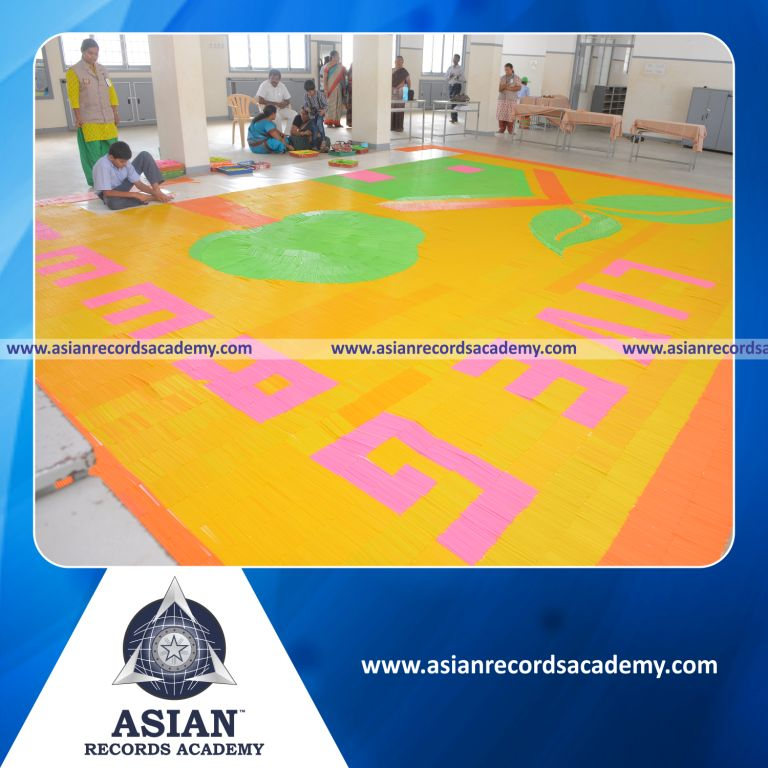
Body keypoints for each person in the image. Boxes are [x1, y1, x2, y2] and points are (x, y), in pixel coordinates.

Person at [66, 38, 120, 187]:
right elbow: (73, 97)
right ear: (83, 52)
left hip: (107, 117)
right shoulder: (74, 71)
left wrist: (115, 113)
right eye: (90, 53)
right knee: (93, 152)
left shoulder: (103, 70)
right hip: (89, 119)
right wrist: (78, 117)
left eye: (96, 53)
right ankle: (97, 180)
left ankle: (113, 176)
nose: (94, 56)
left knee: (112, 149)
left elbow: (111, 91)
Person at [92, 141, 173, 210]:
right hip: (108, 193)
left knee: (144, 155)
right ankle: (150, 198)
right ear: (111, 157)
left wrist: (156, 193)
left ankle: (157, 192)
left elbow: (139, 184)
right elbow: (107, 192)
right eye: (122, 161)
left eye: (126, 161)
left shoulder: (125, 163)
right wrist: (135, 194)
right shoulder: (103, 165)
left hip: (122, 186)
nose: (125, 164)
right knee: (114, 203)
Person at [256, 70, 295, 134]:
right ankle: (279, 136)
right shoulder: (264, 85)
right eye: (272, 78)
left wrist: (285, 104)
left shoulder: (282, 86)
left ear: (279, 79)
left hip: (279, 108)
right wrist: (276, 103)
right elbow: (260, 100)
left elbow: (288, 100)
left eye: (276, 79)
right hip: (267, 109)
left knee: (294, 114)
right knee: (277, 117)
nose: (274, 81)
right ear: (269, 78)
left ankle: (286, 134)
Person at [321, 50, 347, 128]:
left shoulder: (340, 66)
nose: (339, 57)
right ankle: (329, 122)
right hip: (330, 89)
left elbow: (344, 75)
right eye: (337, 56)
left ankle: (337, 122)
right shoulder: (327, 66)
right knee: (330, 105)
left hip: (339, 88)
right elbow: (324, 79)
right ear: (333, 57)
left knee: (338, 105)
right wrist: (325, 89)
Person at [496, 63, 522, 134]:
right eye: (505, 70)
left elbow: (519, 87)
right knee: (501, 115)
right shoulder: (502, 78)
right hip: (502, 100)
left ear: (512, 69)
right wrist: (504, 86)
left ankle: (510, 130)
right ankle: (501, 128)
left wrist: (509, 88)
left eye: (507, 70)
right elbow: (499, 89)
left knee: (510, 115)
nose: (506, 71)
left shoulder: (516, 78)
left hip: (511, 100)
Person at [303, 80, 328, 148]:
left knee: (319, 124)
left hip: (320, 113)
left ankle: (323, 141)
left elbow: (326, 105)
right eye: (307, 91)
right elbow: (305, 105)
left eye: (310, 91)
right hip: (312, 114)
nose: (309, 93)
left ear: (314, 89)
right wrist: (307, 108)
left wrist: (323, 111)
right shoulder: (306, 95)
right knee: (315, 128)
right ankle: (314, 145)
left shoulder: (320, 95)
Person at [391, 56, 411, 132]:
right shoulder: (391, 70)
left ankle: (399, 127)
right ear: (395, 62)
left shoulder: (404, 72)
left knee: (400, 109)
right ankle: (391, 126)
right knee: (392, 109)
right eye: (397, 61)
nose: (399, 63)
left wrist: (407, 92)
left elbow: (408, 82)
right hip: (392, 92)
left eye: (400, 61)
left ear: (403, 62)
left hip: (401, 93)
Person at [445, 53, 465, 123]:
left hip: (457, 86)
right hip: (451, 86)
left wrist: (458, 78)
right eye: (454, 58)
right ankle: (454, 118)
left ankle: (454, 118)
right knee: (452, 102)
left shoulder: (460, 68)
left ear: (458, 60)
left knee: (454, 102)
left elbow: (463, 79)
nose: (454, 59)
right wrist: (449, 76)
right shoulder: (450, 68)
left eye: (456, 58)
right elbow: (445, 78)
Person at [345, 64, 353, 128]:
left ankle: (352, 122)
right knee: (350, 106)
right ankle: (350, 122)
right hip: (351, 89)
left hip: (355, 88)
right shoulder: (352, 67)